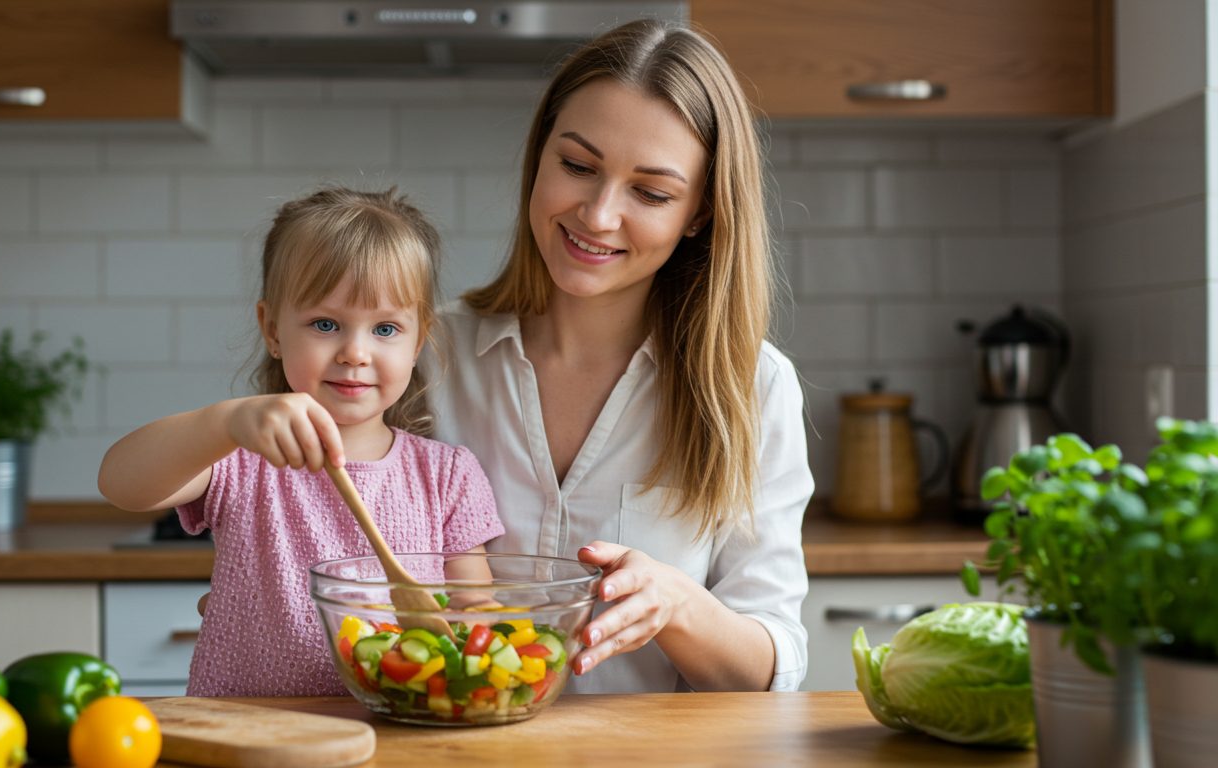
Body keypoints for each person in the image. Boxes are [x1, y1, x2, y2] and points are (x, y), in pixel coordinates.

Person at [426, 18, 813, 693]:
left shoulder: (754, 387)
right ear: (539, 156)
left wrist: (678, 605)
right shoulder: (425, 359)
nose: (599, 214)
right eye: (577, 166)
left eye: (651, 192)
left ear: (699, 212)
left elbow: (768, 666)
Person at [96, 187, 505, 696]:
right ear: (272, 329)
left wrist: (481, 629)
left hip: (395, 731)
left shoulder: (448, 475)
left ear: (418, 339)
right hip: (245, 731)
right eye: (325, 324)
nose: (355, 352)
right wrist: (223, 424)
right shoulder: (239, 456)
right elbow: (120, 483)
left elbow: (472, 606)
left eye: (385, 328)